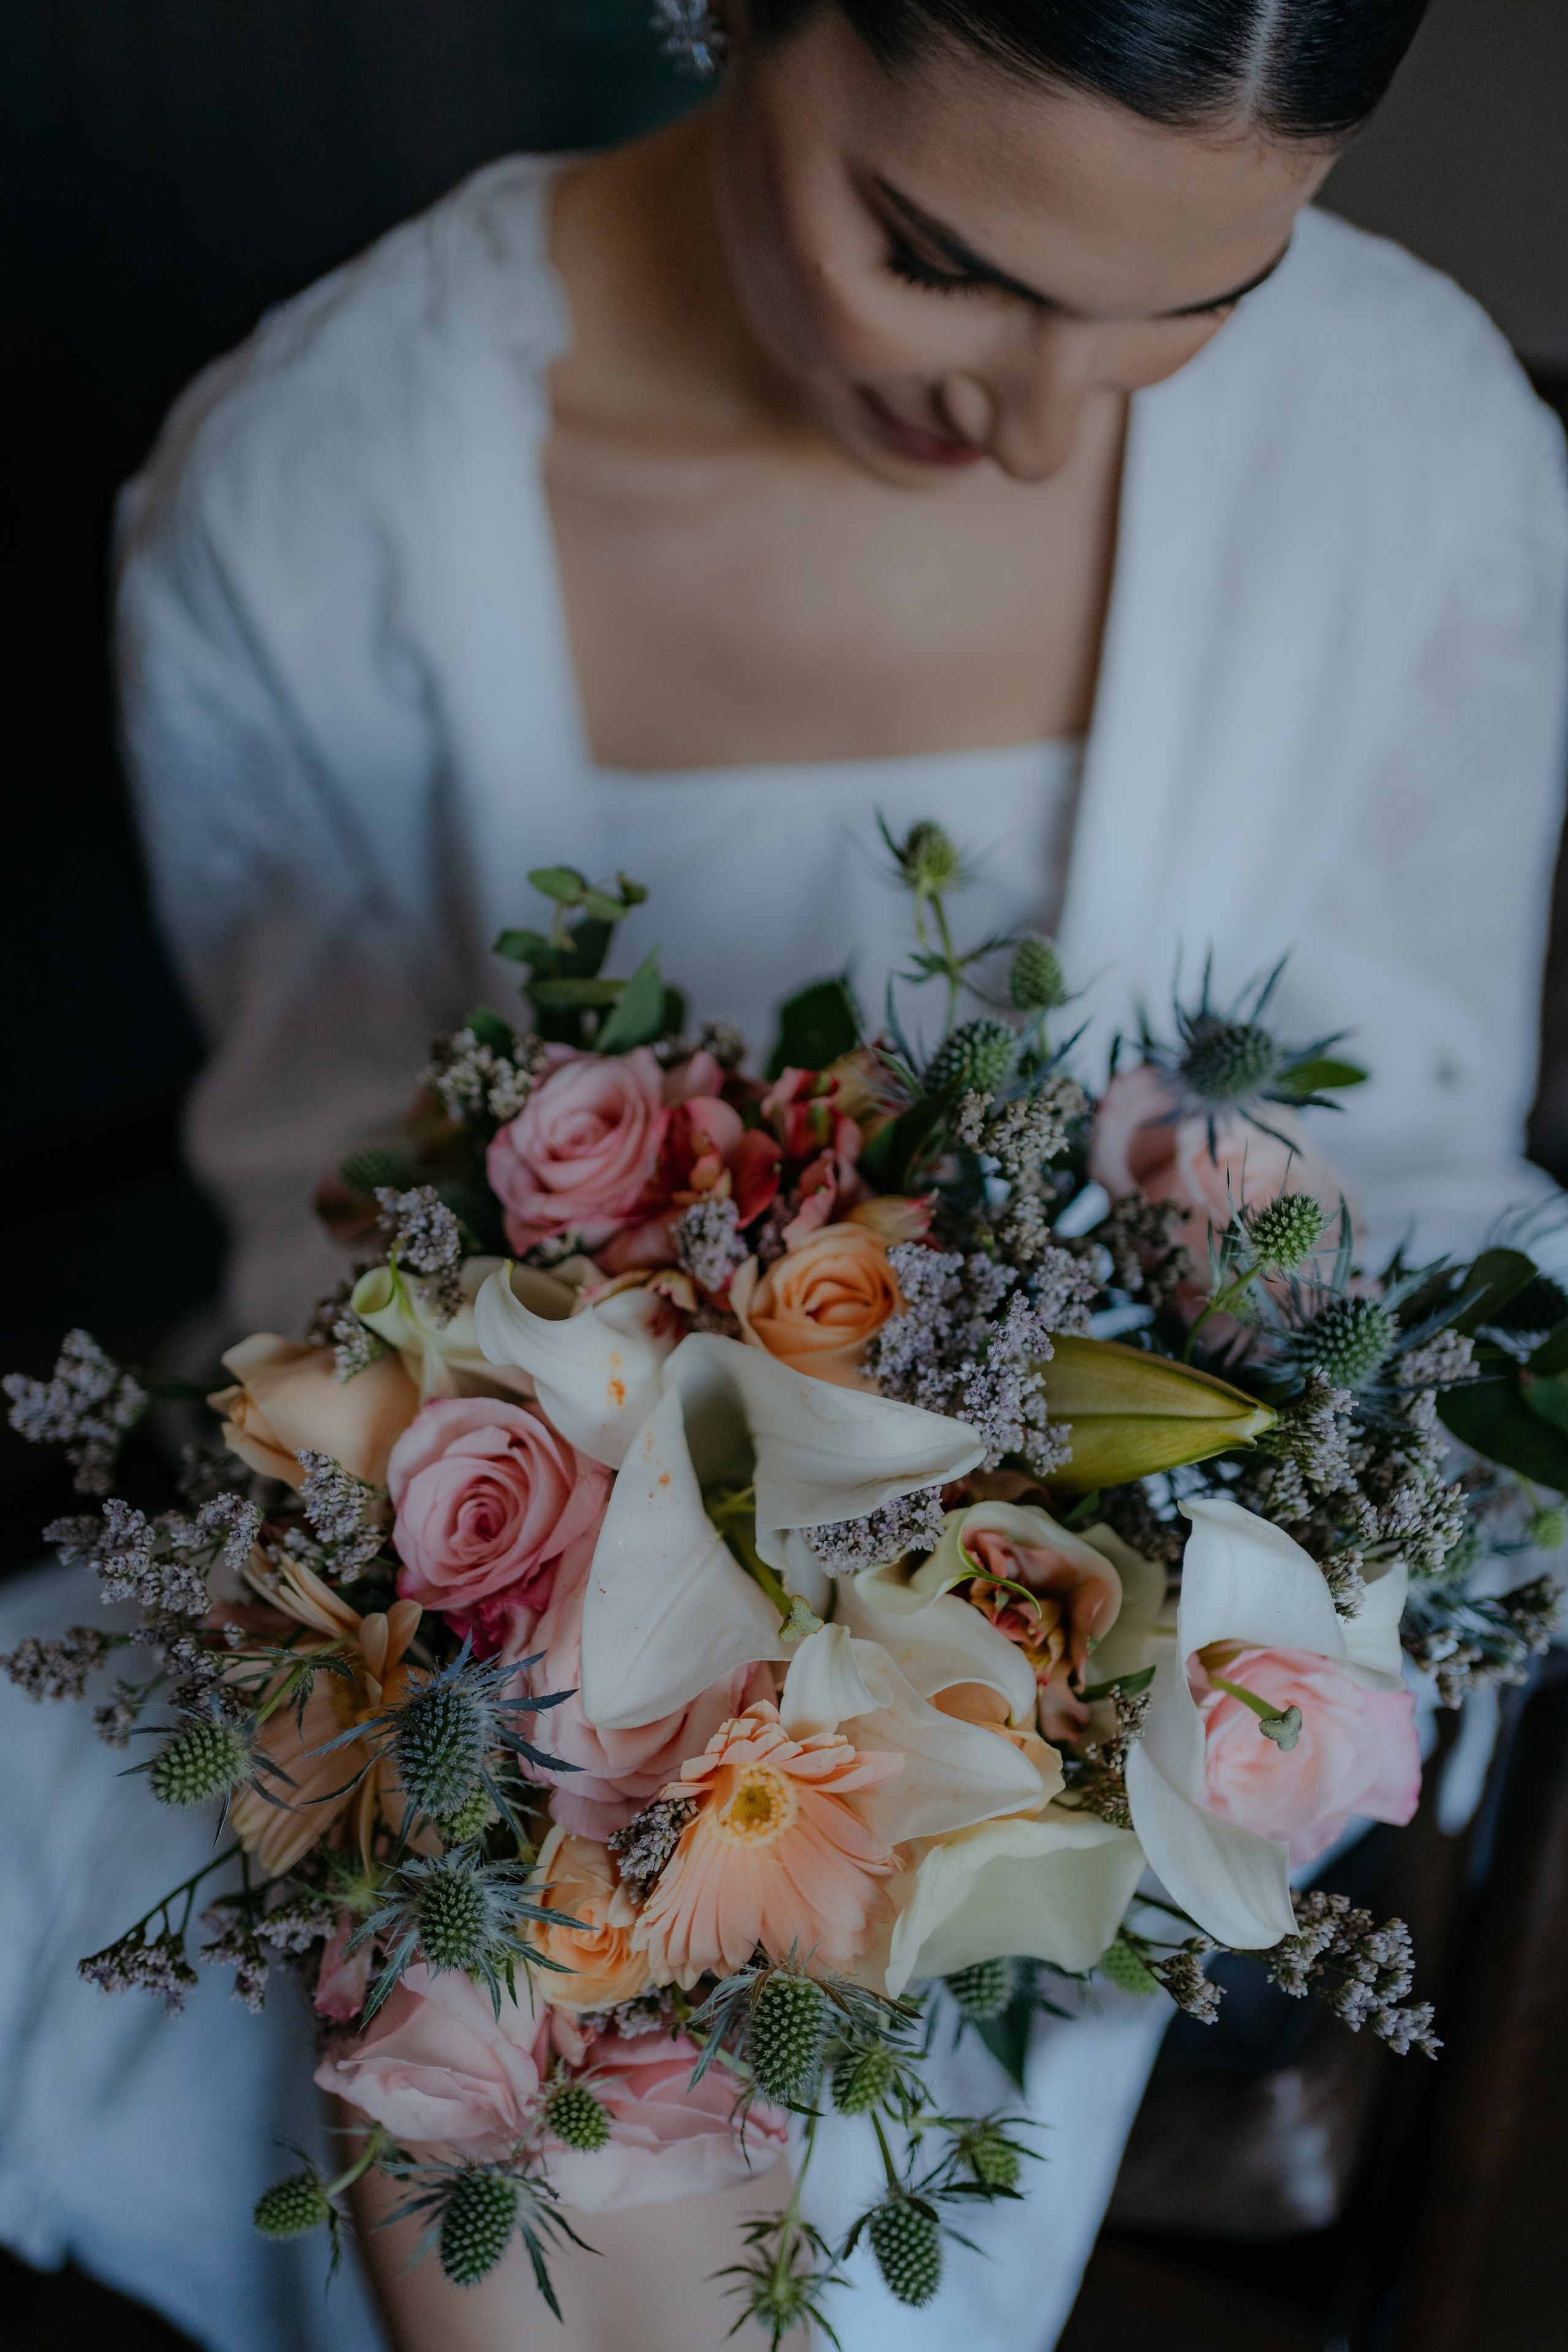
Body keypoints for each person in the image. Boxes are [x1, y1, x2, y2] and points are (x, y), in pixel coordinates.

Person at [3, 1, 1564, 2347]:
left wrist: (1133, 1463)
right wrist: (572, 1612)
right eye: (941, 260)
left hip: (1117, 1653)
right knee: (479, 1969)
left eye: (1198, 305)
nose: (1039, 426)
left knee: (710, 2067)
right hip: (468, 1597)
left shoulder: (1418, 447)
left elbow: (1427, 1194)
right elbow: (315, 1221)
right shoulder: (315, 484)